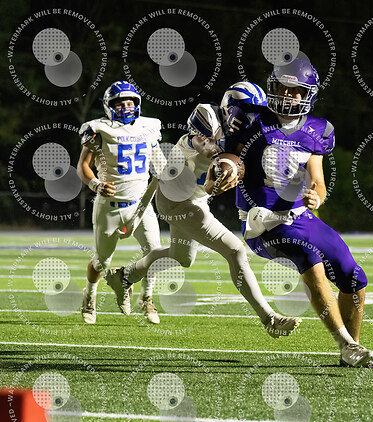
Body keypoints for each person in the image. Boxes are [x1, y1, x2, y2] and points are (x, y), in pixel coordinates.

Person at [220, 60, 373, 368]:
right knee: (309, 258)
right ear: (272, 87)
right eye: (282, 87)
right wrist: (227, 168)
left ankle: (349, 354)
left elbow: (318, 181)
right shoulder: (251, 117)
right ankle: (347, 344)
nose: (287, 94)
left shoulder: (318, 129)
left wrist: (317, 197)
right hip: (263, 221)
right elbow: (230, 155)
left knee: (354, 276)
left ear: (307, 94)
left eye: (294, 89)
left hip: (300, 216)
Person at [104, 83, 301, 338]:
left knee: (181, 257)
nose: (251, 117)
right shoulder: (208, 117)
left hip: (192, 199)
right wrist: (220, 158)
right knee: (235, 250)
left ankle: (123, 276)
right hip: (177, 201)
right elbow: (201, 142)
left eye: (256, 111)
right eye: (246, 111)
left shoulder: (247, 133)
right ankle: (269, 318)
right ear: (229, 109)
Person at [77, 81, 162, 325]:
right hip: (110, 206)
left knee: (155, 254)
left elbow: (160, 164)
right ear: (109, 106)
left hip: (141, 205)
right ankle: (89, 296)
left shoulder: (149, 127)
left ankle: (146, 298)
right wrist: (96, 184)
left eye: (129, 103)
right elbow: (82, 166)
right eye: (119, 103)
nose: (125, 107)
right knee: (101, 261)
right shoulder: (98, 129)